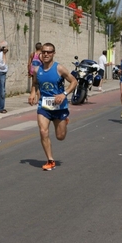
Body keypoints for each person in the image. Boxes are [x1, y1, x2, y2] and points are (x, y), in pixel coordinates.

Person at [28, 43, 78, 171]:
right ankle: (50, 160)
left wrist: (64, 94)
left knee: (60, 137)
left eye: (49, 52)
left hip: (59, 107)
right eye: (44, 52)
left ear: (53, 54)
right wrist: (33, 93)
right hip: (44, 106)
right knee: (43, 131)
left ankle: (64, 121)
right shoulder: (37, 70)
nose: (46, 54)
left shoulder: (59, 68)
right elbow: (35, 83)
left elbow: (74, 81)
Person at [0, 41, 9, 114]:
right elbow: (3, 64)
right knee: (1, 90)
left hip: (2, 73)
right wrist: (3, 53)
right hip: (0, 72)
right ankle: (0, 107)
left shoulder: (0, 53)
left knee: (1, 90)